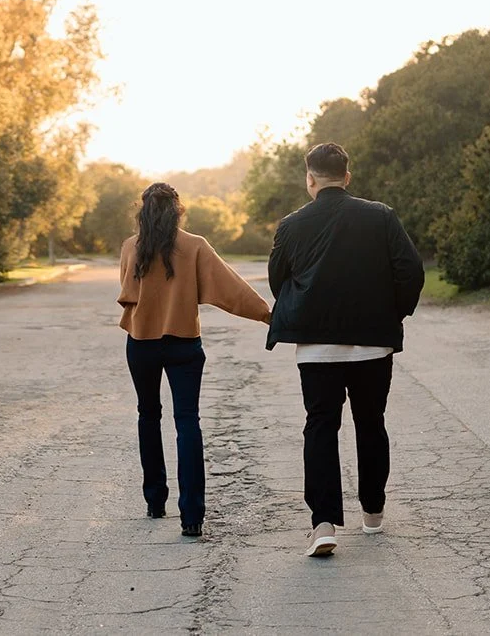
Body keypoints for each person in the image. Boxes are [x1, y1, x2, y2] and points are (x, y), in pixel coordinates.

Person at [266, 142, 425, 557]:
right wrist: (394, 313)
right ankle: (373, 511)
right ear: (347, 177)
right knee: (371, 423)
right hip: (373, 347)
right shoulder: (381, 216)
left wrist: (303, 308)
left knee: (320, 427)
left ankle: (323, 524)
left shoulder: (291, 225)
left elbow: (277, 279)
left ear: (310, 179)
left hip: (316, 351)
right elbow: (411, 270)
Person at [118, 182, 272, 538]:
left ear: (143, 211)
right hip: (184, 343)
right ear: (178, 210)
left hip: (141, 343)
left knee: (148, 415)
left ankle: (155, 501)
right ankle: (192, 517)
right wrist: (266, 314)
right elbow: (231, 288)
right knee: (188, 421)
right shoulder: (195, 246)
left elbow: (128, 295)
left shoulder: (131, 247)